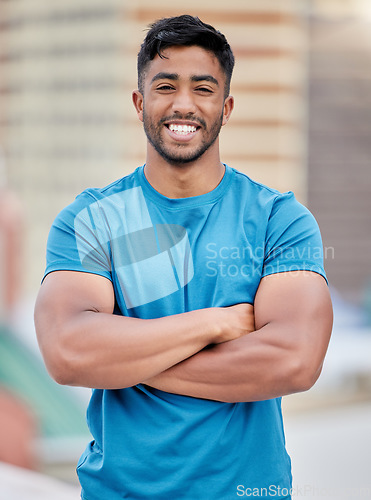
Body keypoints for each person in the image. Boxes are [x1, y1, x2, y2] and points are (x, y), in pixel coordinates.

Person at [34, 15, 333, 500]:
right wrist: (215, 325)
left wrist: (124, 362)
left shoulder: (280, 219)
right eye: (166, 86)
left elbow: (294, 361)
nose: (184, 104)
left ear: (226, 106)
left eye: (203, 88)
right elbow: (69, 352)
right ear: (140, 102)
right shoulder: (92, 218)